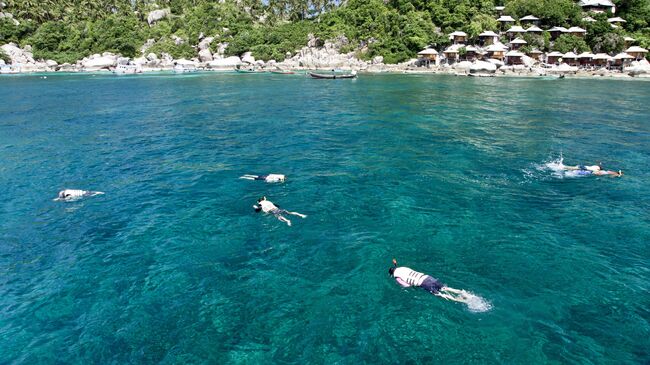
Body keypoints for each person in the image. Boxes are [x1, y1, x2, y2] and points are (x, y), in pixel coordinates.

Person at [388, 259, 472, 303]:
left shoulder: (397, 278)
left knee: (441, 295)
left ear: (392, 274)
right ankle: (461, 292)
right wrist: (395, 263)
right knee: (444, 288)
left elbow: (407, 285)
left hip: (424, 283)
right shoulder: (402, 267)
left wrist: (410, 288)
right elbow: (396, 267)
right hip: (427, 277)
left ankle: (461, 301)